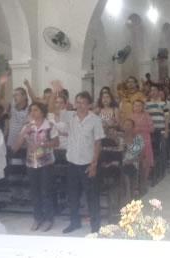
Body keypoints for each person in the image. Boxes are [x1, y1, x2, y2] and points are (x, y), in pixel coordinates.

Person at [13, 102, 59, 232]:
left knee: (46, 192)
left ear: (42, 112)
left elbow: (57, 143)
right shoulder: (28, 126)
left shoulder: (49, 126)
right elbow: (15, 147)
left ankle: (49, 219)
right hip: (31, 163)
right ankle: (37, 218)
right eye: (31, 110)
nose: (33, 113)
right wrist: (24, 133)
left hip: (46, 163)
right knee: (34, 193)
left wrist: (43, 145)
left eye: (36, 110)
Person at [64, 91, 105, 234]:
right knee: (73, 195)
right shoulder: (71, 118)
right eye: (78, 102)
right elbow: (55, 111)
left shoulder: (95, 120)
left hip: (88, 163)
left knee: (92, 196)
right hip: (72, 162)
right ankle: (75, 222)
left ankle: (95, 225)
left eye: (83, 102)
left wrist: (94, 164)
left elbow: (97, 143)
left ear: (89, 105)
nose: (80, 105)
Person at [131, 99, 154, 195]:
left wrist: (141, 129)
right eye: (135, 105)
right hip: (134, 141)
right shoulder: (130, 116)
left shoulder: (146, 116)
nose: (137, 107)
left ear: (142, 107)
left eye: (139, 106)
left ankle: (143, 182)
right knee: (135, 163)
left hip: (146, 141)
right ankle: (135, 185)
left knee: (145, 163)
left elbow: (152, 128)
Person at [120, 118, 144, 201]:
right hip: (121, 160)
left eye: (129, 125)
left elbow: (141, 154)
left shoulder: (138, 138)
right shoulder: (120, 137)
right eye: (125, 125)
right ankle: (127, 192)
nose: (126, 127)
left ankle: (129, 192)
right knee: (122, 166)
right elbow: (118, 151)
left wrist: (131, 160)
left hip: (134, 161)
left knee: (128, 168)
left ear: (133, 127)